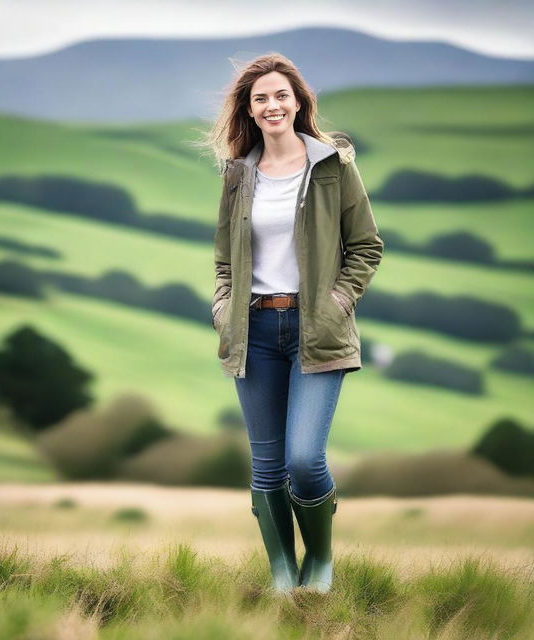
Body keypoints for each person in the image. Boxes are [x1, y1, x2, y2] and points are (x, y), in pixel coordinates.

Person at [205, 53, 384, 594]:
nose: (272, 105)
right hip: (253, 333)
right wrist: (224, 311)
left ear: (299, 102)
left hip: (318, 332)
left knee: (305, 460)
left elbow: (366, 247)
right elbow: (223, 263)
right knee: (266, 468)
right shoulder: (238, 175)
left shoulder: (333, 166)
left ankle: (321, 563)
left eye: (281, 95)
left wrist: (336, 302)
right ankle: (284, 577)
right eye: (260, 98)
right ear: (250, 111)